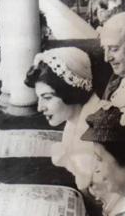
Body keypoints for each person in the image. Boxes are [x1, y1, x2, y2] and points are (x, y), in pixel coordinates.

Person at [25, 46, 100, 191]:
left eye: (47, 98)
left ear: (69, 92)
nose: (40, 108)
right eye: (40, 98)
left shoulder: (92, 134)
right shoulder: (76, 119)